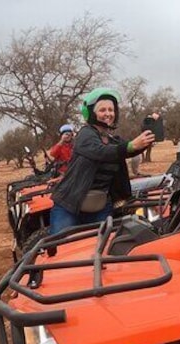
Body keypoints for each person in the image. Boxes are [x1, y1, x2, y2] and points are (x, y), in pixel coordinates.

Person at [49, 88, 154, 234]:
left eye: (111, 110)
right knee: (61, 248)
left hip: (100, 207)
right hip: (69, 205)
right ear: (91, 113)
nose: (108, 114)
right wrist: (130, 145)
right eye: (102, 110)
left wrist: (149, 133)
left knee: (101, 249)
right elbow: (100, 151)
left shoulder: (112, 140)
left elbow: (130, 150)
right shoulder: (85, 135)